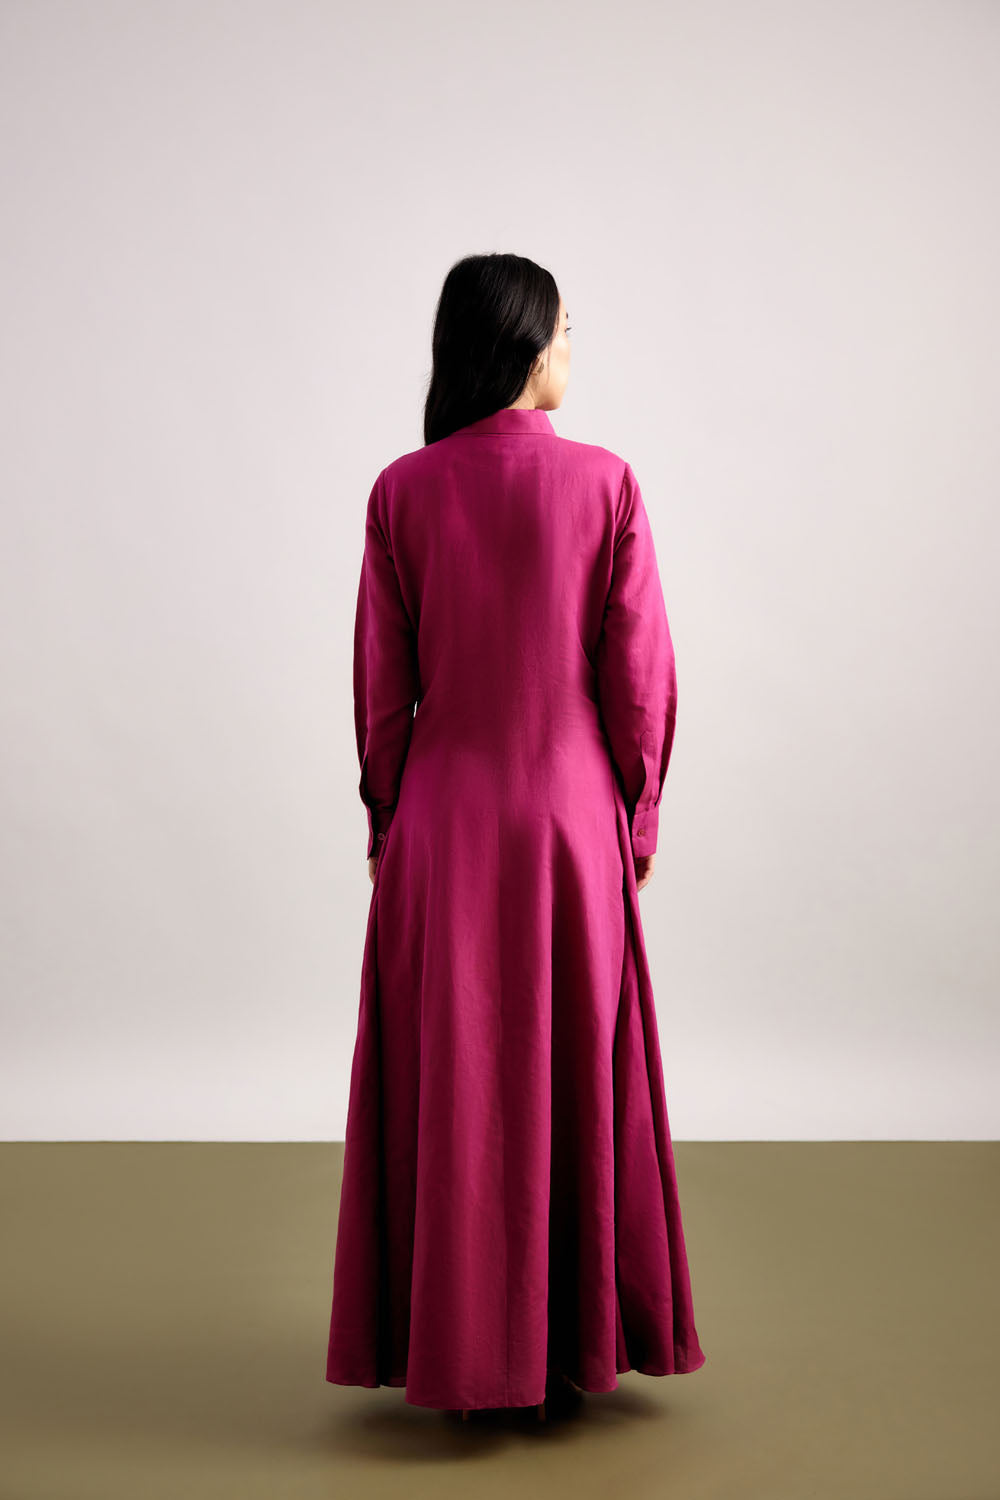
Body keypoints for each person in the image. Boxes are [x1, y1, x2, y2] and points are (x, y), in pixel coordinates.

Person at [325, 252, 706, 1421]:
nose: (572, 349)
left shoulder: (402, 492)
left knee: (456, 1077)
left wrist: (386, 815)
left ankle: (455, 1344)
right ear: (528, 347)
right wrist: (637, 810)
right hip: (569, 820)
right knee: (573, 1064)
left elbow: (381, 689)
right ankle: (566, 1345)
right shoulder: (606, 484)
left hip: (442, 819)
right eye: (565, 330)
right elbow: (638, 676)